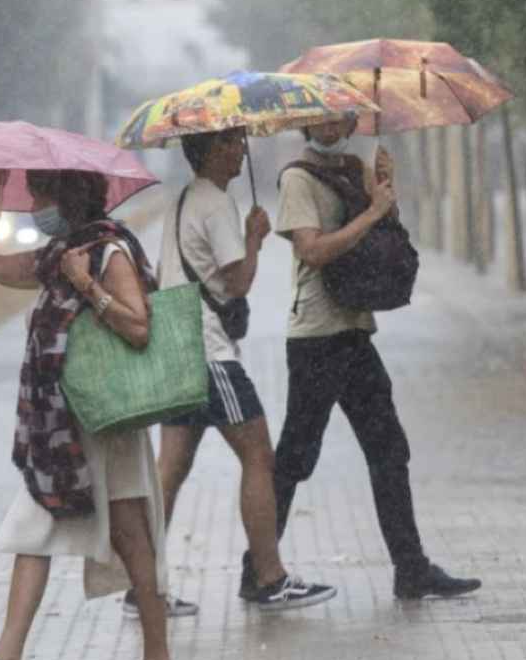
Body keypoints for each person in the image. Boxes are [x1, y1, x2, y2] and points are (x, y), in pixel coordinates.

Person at [0, 168, 182, 660]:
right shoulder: (59, 256)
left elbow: (139, 327)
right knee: (111, 535)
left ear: (65, 198)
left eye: (38, 195)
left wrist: (87, 286)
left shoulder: (106, 251)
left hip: (98, 421)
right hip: (66, 425)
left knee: (77, 529)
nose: (34, 208)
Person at [257, 115, 482, 601]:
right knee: (296, 457)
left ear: (352, 121)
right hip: (316, 337)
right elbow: (313, 251)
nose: (331, 125)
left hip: (356, 331)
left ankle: (412, 569)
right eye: (321, 116)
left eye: (340, 116)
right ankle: (258, 570)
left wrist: (384, 194)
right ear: (305, 121)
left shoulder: (355, 169)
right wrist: (368, 212)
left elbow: (383, 237)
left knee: (389, 450)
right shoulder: (297, 177)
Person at [141, 128, 336, 617]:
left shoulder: (184, 200)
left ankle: (141, 587)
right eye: (230, 144)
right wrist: (253, 239)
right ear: (208, 151)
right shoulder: (214, 204)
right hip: (210, 353)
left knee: (172, 469)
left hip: (176, 348)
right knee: (258, 456)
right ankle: (269, 578)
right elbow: (239, 282)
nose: (240, 151)